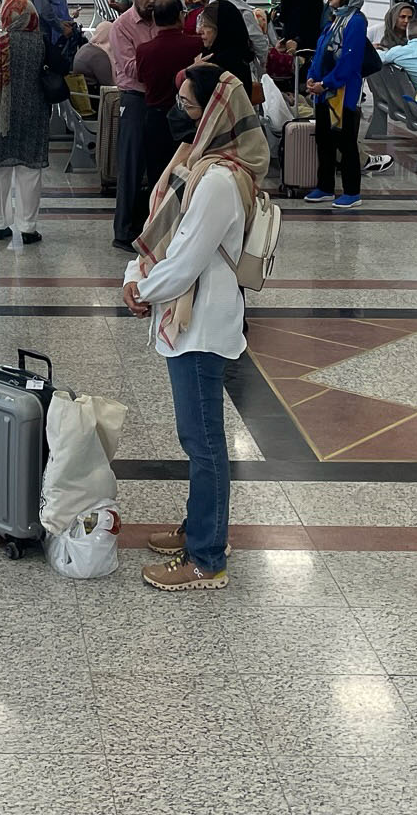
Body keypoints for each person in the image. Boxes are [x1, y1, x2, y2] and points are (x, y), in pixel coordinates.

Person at [123, 66, 267, 592]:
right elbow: (164, 234)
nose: (177, 113)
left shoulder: (221, 181)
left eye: (187, 106)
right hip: (191, 316)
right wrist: (136, 275)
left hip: (202, 324)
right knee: (198, 438)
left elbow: (185, 260)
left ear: (213, 116)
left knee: (203, 442)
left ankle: (207, 557)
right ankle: (199, 528)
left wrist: (142, 289)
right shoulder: (202, 166)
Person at [0, 0, 51, 246]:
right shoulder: (41, 41)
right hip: (33, 112)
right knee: (29, 171)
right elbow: (62, 66)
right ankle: (28, 228)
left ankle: (0, 225)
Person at [303, 0, 369, 211]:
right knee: (324, 139)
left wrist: (328, 83)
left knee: (345, 141)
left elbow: (349, 61)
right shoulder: (334, 19)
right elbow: (321, 51)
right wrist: (312, 77)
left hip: (343, 94)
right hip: (324, 91)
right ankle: (325, 186)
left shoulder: (356, 22)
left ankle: (352, 191)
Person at [109, 0, 164, 250]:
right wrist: (163, 59)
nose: (151, 0)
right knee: (131, 166)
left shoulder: (163, 20)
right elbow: (131, 68)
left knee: (161, 168)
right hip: (135, 100)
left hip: (162, 99)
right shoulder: (122, 26)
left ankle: (155, 229)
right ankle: (124, 231)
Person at [202, 0, 272, 63]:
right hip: (238, 63)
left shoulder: (210, 8)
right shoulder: (244, 12)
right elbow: (259, 42)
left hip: (211, 61)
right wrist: (262, 64)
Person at [194, 0, 258, 103]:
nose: (199, 30)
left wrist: (194, 72)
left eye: (206, 25)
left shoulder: (218, 66)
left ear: (221, 29)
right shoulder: (238, 57)